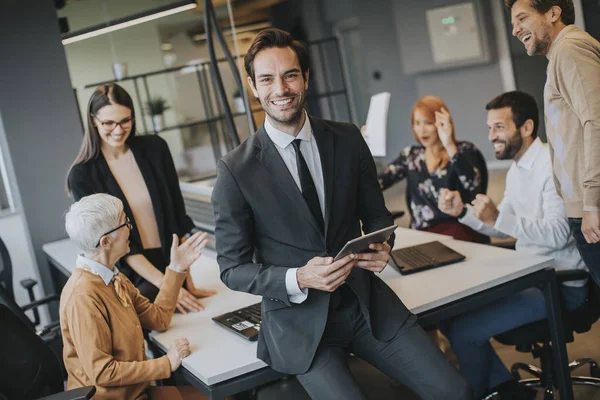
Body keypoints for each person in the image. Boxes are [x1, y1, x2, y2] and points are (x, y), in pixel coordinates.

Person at [211, 28, 471, 400]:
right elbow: (232, 269)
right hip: (299, 324)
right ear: (253, 87)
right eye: (267, 79)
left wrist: (384, 244)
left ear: (306, 78)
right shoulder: (236, 170)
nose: (280, 89)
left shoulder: (347, 138)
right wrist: (298, 277)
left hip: (366, 305)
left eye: (290, 75)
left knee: (454, 390)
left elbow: (377, 215)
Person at [437, 91, 588, 399]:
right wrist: (463, 213)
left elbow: (559, 234)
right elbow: (498, 222)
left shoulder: (550, 167)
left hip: (558, 286)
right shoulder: (519, 168)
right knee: (449, 317)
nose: (491, 136)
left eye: (499, 127)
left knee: (465, 332)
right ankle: (505, 388)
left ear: (527, 127)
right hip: (531, 277)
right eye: (489, 127)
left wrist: (498, 217)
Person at [67, 84, 214, 313]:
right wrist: (168, 285)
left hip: (172, 264)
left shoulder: (155, 149)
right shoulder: (83, 175)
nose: (118, 130)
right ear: (93, 120)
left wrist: (187, 282)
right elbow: (115, 242)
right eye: (108, 123)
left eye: (125, 121)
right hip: (137, 278)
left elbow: (177, 217)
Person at [60, 193, 210, 400]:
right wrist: (165, 363)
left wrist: (175, 268)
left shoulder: (113, 278)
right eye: (125, 223)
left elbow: (159, 319)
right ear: (105, 242)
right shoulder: (83, 297)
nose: (131, 229)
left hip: (137, 392)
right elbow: (103, 373)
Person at [506, 0, 600, 285]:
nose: (514, 30)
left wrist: (593, 204)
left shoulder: (569, 49)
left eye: (522, 18)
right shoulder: (562, 54)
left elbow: (596, 121)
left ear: (553, 13)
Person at [367, 96, 488, 242]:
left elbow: (473, 184)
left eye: (428, 123)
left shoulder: (464, 150)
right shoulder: (411, 155)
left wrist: (449, 145)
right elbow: (375, 184)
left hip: (460, 228)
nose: (422, 130)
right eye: (417, 123)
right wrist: (362, 153)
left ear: (442, 123)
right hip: (422, 234)